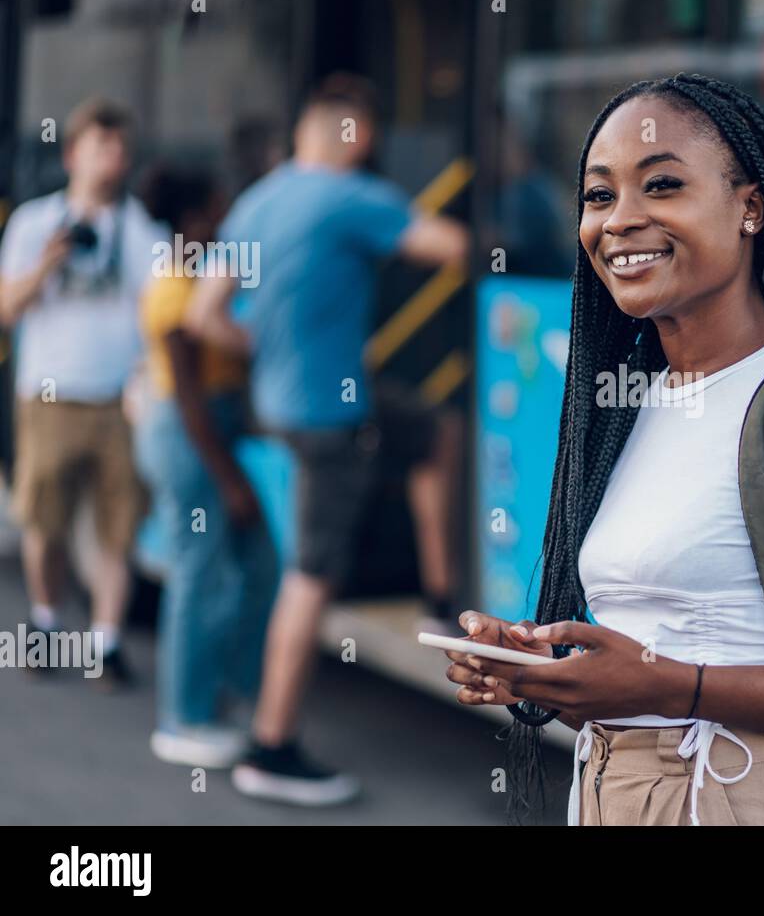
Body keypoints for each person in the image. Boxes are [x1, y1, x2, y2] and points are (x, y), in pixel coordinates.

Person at [446, 74, 764, 826]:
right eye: (598, 196)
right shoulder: (625, 407)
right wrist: (538, 675)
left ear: (750, 207)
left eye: (661, 185)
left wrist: (671, 686)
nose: (620, 221)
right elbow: (642, 673)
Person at [186, 73, 470, 806]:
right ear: (356, 135)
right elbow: (451, 245)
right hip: (326, 417)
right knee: (311, 577)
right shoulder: (353, 196)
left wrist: (259, 342)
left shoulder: (257, 200)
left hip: (280, 402)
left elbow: (202, 313)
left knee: (425, 430)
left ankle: (438, 594)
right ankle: (271, 745)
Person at [0, 97, 166, 688]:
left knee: (117, 525)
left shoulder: (141, 229)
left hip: (117, 400)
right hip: (49, 395)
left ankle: (106, 641)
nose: (113, 161)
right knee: (43, 520)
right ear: (73, 154)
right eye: (102, 147)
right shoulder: (32, 224)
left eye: (121, 149)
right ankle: (46, 622)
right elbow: (6, 309)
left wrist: (147, 383)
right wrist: (47, 264)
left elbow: (159, 314)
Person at [134, 163, 278, 768]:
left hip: (205, 433)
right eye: (220, 208)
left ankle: (224, 695)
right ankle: (183, 718)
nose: (228, 220)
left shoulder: (195, 275)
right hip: (190, 439)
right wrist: (231, 480)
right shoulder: (174, 288)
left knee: (258, 564)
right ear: (195, 219)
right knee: (200, 573)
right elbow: (191, 402)